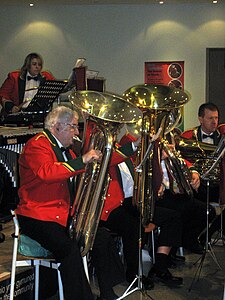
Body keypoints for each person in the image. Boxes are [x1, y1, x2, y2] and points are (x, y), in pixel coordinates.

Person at [15, 106, 125, 300]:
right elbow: (47, 173)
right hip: (36, 216)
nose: (76, 132)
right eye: (73, 127)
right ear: (58, 126)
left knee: (100, 237)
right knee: (69, 249)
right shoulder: (38, 145)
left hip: (61, 214)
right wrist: (82, 160)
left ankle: (108, 293)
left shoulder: (66, 150)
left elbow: (102, 160)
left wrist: (134, 146)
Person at [99, 132, 184, 288]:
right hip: (118, 204)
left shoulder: (123, 152)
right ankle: (133, 274)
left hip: (134, 201)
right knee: (133, 224)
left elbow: (136, 178)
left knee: (173, 217)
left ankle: (160, 266)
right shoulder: (108, 151)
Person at [180, 102, 225, 241]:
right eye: (210, 118)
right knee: (195, 208)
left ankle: (207, 234)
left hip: (218, 184)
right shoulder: (188, 136)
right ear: (200, 119)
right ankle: (190, 239)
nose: (214, 122)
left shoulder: (222, 134)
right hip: (197, 183)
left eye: (216, 118)